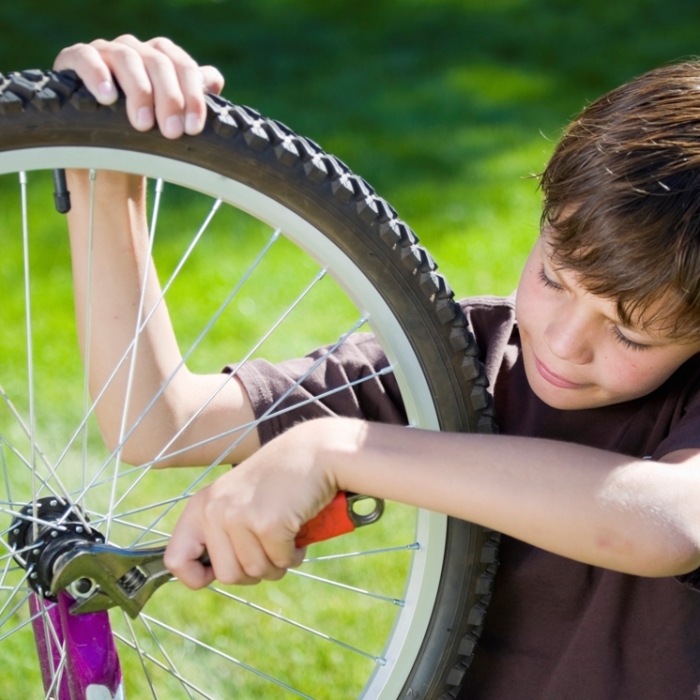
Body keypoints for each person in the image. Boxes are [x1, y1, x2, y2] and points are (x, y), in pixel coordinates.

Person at [55, 37, 700, 699]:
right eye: (554, 279)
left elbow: (669, 523)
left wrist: (337, 451)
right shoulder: (468, 357)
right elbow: (158, 423)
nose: (564, 344)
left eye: (630, 334)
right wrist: (100, 168)